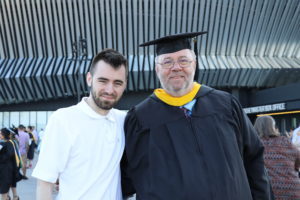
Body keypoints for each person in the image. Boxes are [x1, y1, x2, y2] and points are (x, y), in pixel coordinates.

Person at [121, 32, 273, 199]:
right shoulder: (140, 118)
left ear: (194, 64)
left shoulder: (226, 105)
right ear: (157, 69)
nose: (176, 67)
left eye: (183, 60)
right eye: (167, 62)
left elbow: (254, 161)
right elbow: (127, 177)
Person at [32, 49, 128, 200]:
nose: (110, 90)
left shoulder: (124, 121)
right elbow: (45, 182)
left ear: (125, 85)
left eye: (117, 83)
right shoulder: (63, 120)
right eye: (103, 81)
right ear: (89, 79)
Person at [254, 116, 300, 199]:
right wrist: (295, 168)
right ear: (273, 127)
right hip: (292, 190)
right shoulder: (284, 141)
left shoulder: (254, 145)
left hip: (268, 192)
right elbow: (298, 158)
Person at [0, 128, 20, 200]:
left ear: (4, 134)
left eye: (0, 133)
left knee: (4, 189)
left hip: (7, 169)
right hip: (6, 169)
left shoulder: (9, 143)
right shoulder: (6, 142)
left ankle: (13, 197)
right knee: (7, 186)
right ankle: (12, 196)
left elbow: (8, 155)